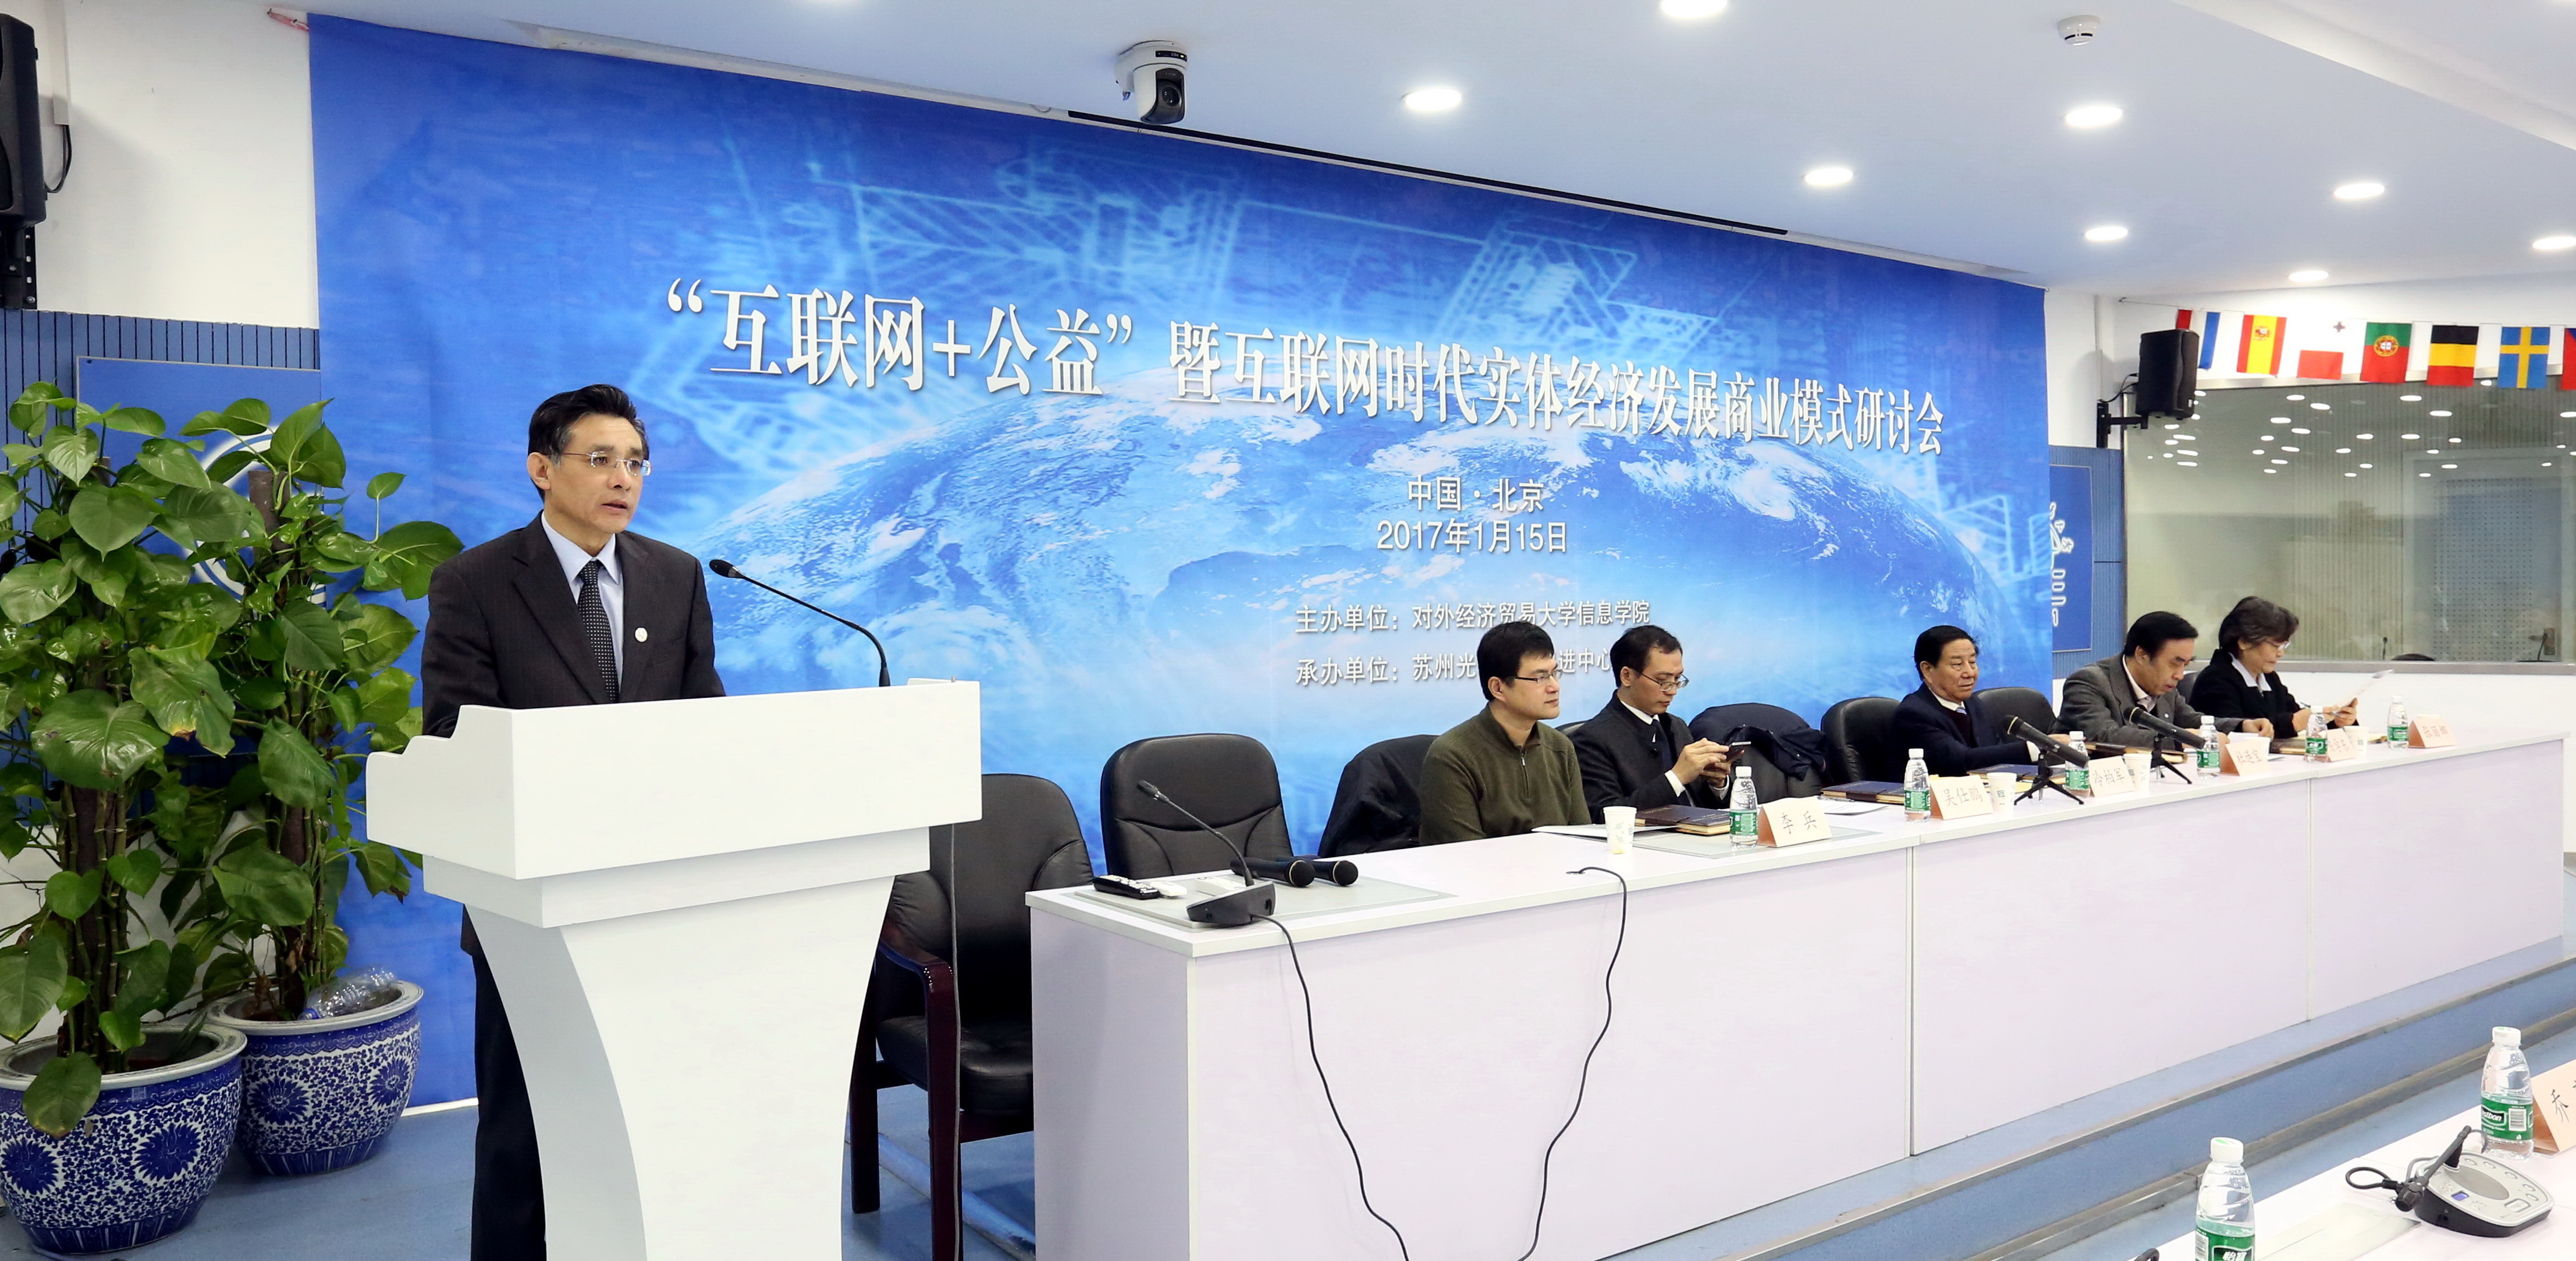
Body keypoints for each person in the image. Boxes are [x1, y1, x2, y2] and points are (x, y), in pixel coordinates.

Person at [421, 385, 726, 1261]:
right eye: (600, 459)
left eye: (635, 462)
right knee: (522, 1121)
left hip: (650, 895)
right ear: (541, 469)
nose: (622, 478)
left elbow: (704, 720)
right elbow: (454, 730)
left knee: (646, 1111)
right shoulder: (476, 581)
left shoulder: (676, 575)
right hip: (530, 900)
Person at [1417, 620, 1590, 844]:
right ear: (1498, 688)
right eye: (1539, 678)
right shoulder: (1452, 757)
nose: (1554, 687)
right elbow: (1463, 854)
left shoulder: (1560, 747)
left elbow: (1582, 838)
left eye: (1554, 674)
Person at [1569, 624, 1732, 820]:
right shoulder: (1591, 740)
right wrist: (1676, 778)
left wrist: (1717, 784)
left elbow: (1702, 806)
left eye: (1677, 679)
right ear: (1627, 676)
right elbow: (1602, 815)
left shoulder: (1677, 726)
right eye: (1663, 680)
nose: (1673, 690)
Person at [2058, 610, 2268, 749]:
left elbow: (2191, 720)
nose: (2180, 675)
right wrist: (2182, 740)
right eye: (2175, 663)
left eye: (2186, 665)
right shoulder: (2089, 682)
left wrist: (2241, 726)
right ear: (2142, 655)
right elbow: (2105, 736)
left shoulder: (2163, 685)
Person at [2187, 596, 2356, 737]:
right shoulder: (2216, 679)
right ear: (2244, 642)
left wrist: (2334, 721)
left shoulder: (2268, 677)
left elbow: (2292, 713)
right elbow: (2235, 731)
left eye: (2284, 646)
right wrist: (2295, 723)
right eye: (2275, 646)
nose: (2281, 653)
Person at [1891, 625, 2034, 776]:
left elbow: (1994, 757)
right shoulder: (1913, 714)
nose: (1970, 673)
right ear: (1927, 670)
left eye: (1972, 662)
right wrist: (2032, 749)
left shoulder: (1976, 705)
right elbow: (1959, 761)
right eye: (1957, 665)